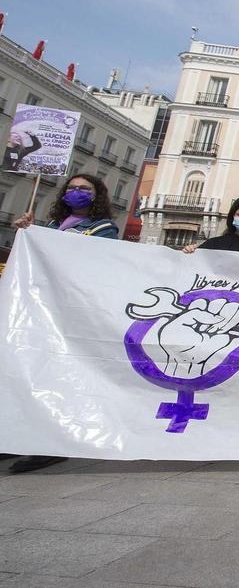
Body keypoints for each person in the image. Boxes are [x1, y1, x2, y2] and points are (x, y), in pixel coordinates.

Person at [9, 174, 119, 472]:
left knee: (56, 376)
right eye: (72, 188)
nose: (77, 192)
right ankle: (16, 434)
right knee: (27, 370)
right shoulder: (49, 227)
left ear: (97, 195)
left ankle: (50, 442)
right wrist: (26, 232)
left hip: (69, 312)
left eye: (85, 189)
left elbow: (92, 262)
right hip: (39, 309)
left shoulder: (104, 229)